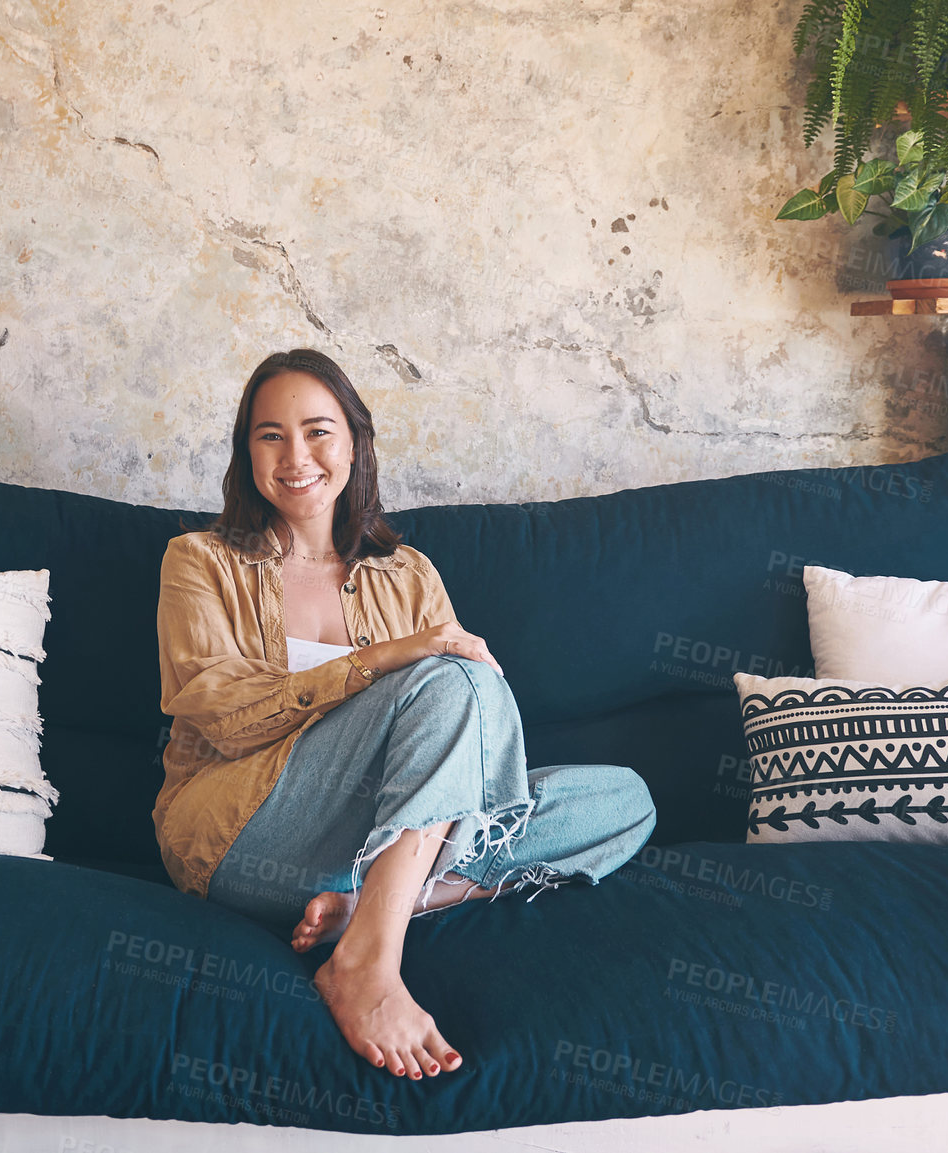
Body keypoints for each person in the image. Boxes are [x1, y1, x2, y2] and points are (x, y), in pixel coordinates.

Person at [153, 348, 656, 1082]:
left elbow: (465, 726)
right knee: (449, 677)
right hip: (239, 830)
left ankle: (382, 901)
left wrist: (427, 664)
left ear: (353, 443)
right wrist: (387, 656)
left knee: (624, 800)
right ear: (246, 451)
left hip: (373, 845)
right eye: (270, 435)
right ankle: (368, 964)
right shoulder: (198, 560)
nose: (296, 455)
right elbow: (223, 717)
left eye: (318, 430)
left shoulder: (409, 573)